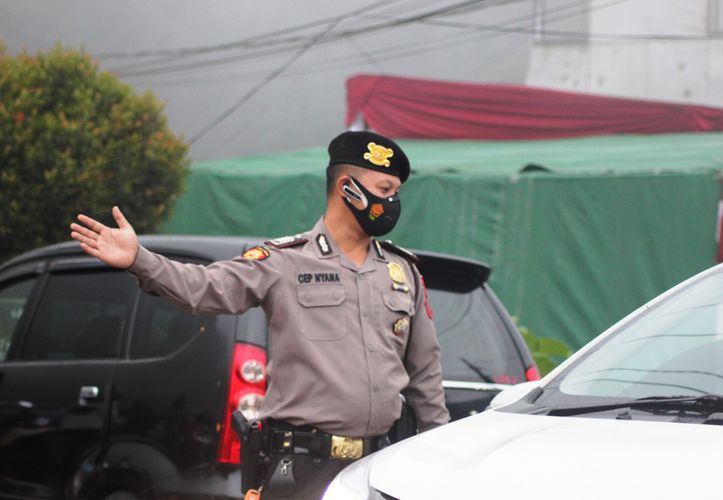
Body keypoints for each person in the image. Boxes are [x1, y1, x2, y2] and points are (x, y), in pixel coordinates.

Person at [70, 130, 449, 499]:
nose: (393, 202)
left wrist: (439, 456)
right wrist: (140, 260)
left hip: (380, 466)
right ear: (346, 187)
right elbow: (202, 289)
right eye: (384, 191)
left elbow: (425, 372)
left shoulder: (402, 273)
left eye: (397, 193)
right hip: (302, 469)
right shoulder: (284, 262)